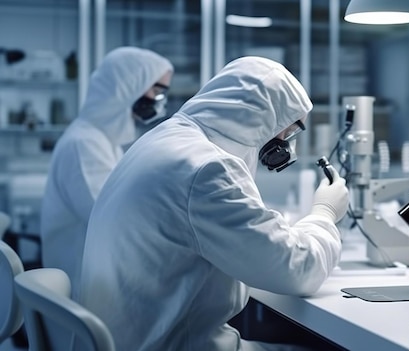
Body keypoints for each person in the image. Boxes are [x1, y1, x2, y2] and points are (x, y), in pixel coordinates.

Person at [77, 56, 349, 351]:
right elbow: (297, 271)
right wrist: (325, 212)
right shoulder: (206, 169)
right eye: (290, 128)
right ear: (263, 117)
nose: (285, 141)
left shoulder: (166, 140)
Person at [40, 46, 174, 295]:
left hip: (95, 280)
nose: (159, 100)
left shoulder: (103, 142)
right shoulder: (84, 145)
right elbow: (111, 220)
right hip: (82, 291)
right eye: (156, 90)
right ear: (128, 87)